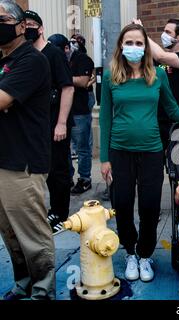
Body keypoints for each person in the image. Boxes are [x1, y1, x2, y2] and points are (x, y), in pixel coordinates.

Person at [99, 23, 179, 282]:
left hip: (152, 151)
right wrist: (104, 158)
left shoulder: (158, 75)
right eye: (128, 43)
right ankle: (130, 251)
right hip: (120, 151)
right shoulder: (111, 76)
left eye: (138, 43)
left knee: (150, 206)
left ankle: (145, 254)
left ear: (146, 47)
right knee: (122, 203)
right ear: (121, 46)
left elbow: (173, 110)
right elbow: (105, 117)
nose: (133, 48)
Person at [0, 0, 55, 300]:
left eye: (2, 19)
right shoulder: (2, 60)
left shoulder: (31, 61)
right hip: (3, 157)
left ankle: (44, 287)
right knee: (9, 232)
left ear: (22, 26)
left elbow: (3, 100)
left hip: (24, 161)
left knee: (31, 231)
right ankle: (23, 282)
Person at [24, 10, 75, 235]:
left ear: (41, 28)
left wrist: (61, 123)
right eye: (23, 24)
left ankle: (60, 214)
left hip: (55, 123)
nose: (27, 28)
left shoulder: (53, 53)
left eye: (31, 24)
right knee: (36, 170)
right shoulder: (24, 54)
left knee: (58, 171)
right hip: (33, 124)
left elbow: (68, 87)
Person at [144, 18, 179, 151]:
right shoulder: (159, 60)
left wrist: (143, 34)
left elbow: (161, 57)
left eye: (168, 32)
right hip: (160, 120)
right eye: (164, 31)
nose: (164, 35)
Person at [68, 33, 95, 194]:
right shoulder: (62, 59)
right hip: (66, 109)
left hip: (81, 106)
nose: (74, 44)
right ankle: (68, 177)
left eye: (76, 41)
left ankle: (84, 178)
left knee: (83, 146)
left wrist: (62, 77)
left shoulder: (83, 59)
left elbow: (85, 81)